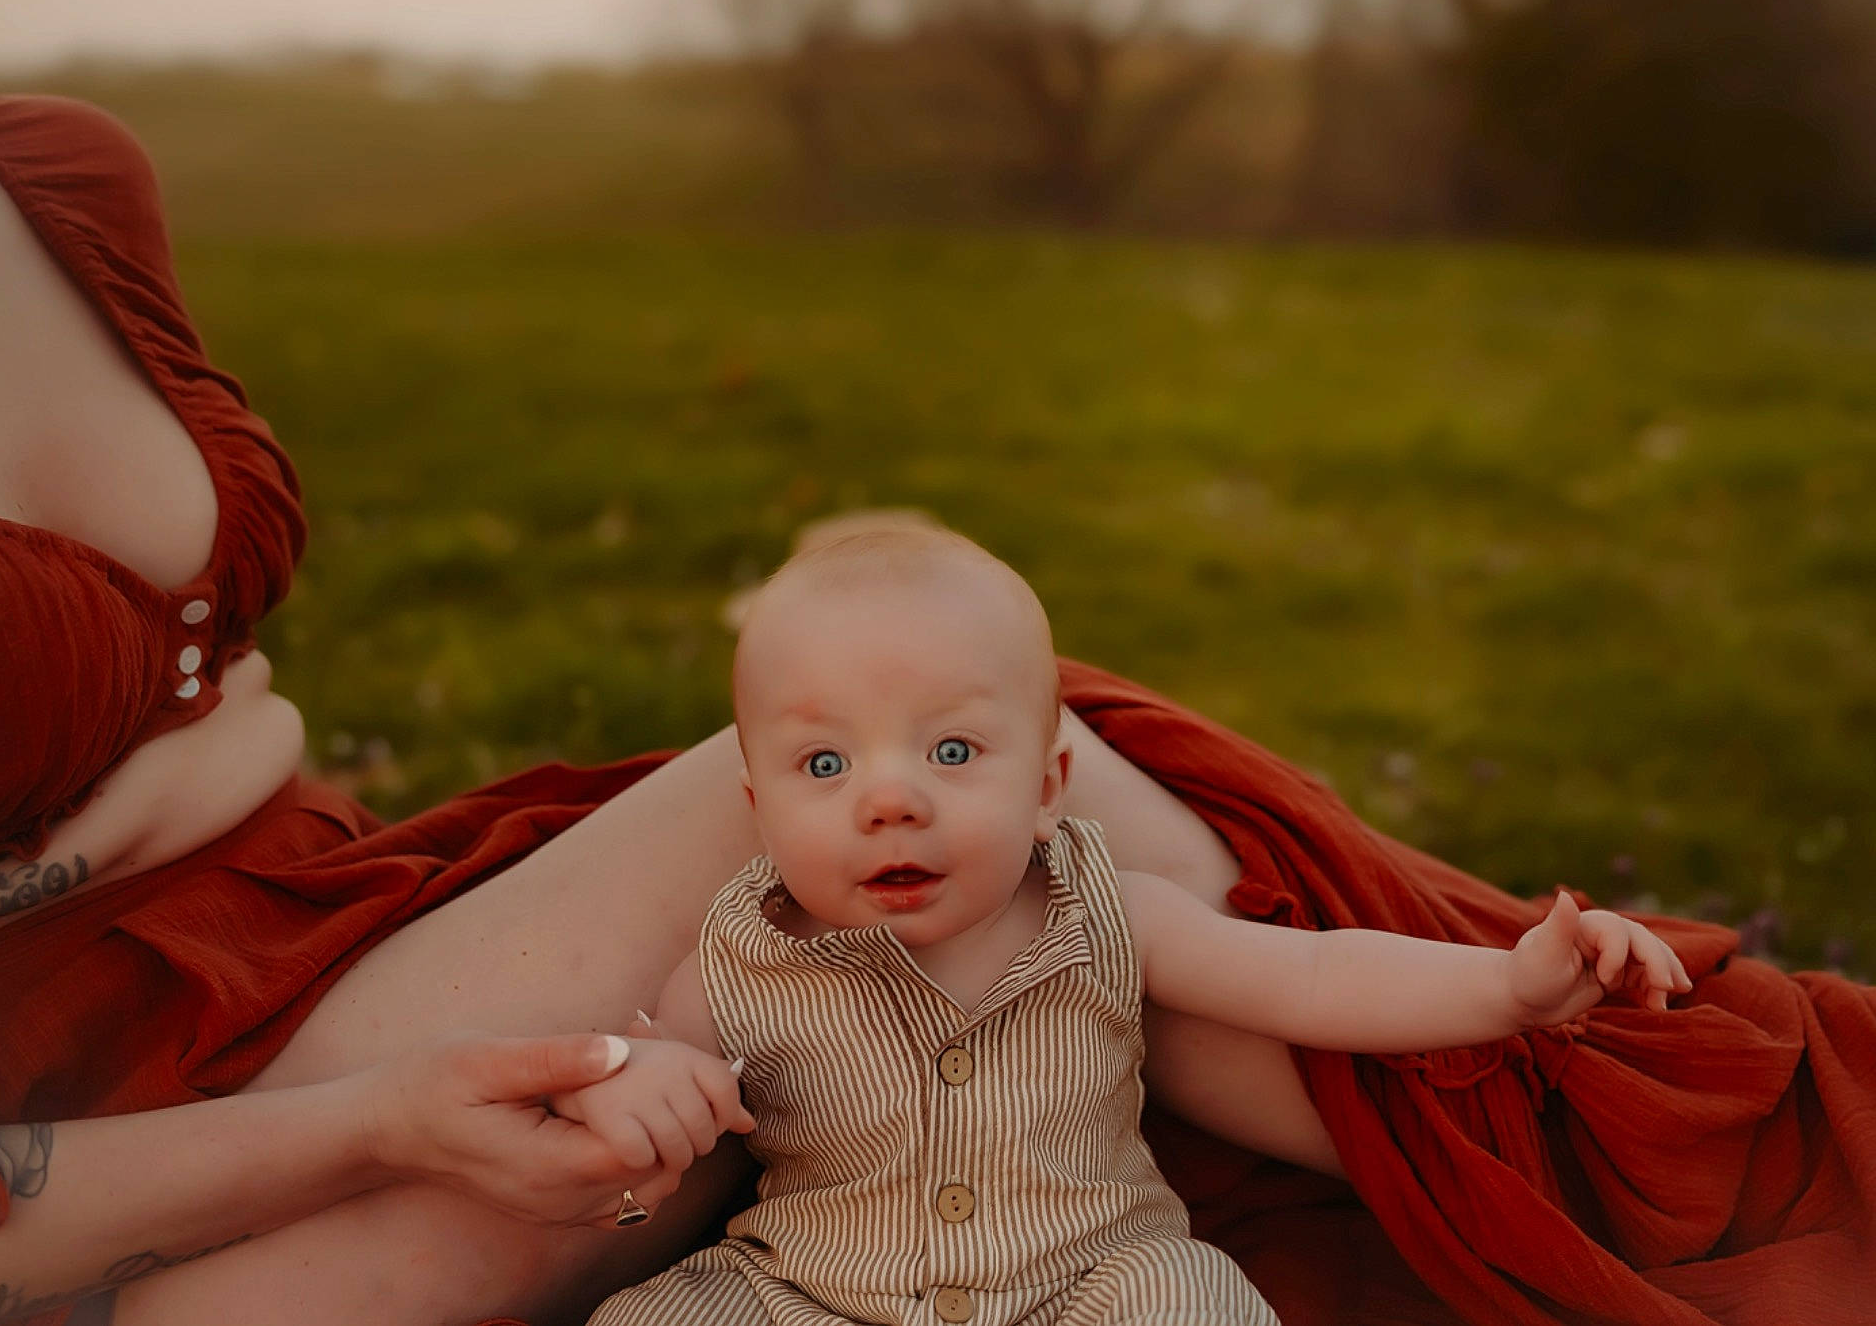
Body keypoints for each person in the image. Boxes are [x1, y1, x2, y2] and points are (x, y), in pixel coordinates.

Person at [0, 92, 1876, 1326]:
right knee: (960, 810)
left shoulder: (44, 167)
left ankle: (1681, 1118)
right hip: (97, 1128)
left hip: (319, 915)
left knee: (1027, 815)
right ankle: (1753, 1178)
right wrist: (386, 1121)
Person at [567, 528, 1691, 1326]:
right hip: (815, 1289)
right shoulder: (738, 957)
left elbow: (1311, 975)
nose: (889, 798)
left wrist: (1506, 988)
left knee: (1188, 1305)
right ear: (758, 810)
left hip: (1090, 1284)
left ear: (1050, 785)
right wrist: (635, 1098)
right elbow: (654, 1096)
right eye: (825, 764)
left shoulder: (1107, 909)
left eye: (951, 752)